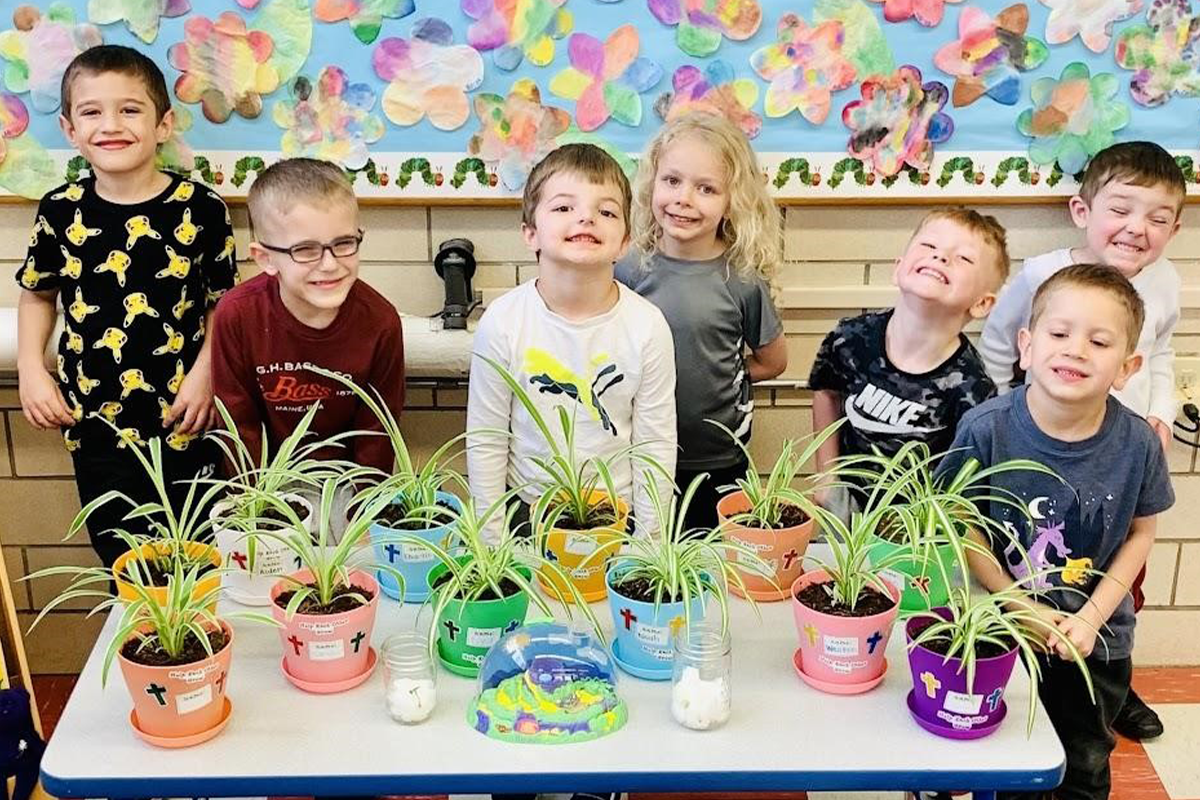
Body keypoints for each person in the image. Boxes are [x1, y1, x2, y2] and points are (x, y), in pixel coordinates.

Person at [940, 264, 1174, 800]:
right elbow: (961, 524)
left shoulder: (1137, 444)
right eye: (1059, 333)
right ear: (1026, 345)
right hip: (997, 628)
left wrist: (1091, 617)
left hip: (1098, 639)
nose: (1075, 350)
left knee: (1084, 760)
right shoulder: (986, 428)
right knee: (997, 756)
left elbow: (1142, 533)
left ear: (1127, 367)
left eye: (1098, 341)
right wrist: (1022, 606)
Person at [978, 141, 1185, 740]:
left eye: (1157, 217)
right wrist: (1004, 410)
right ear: (1082, 211)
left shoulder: (1165, 280)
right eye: (1121, 208)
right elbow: (998, 345)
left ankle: (1110, 676)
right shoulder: (1041, 273)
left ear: (1175, 227)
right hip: (1039, 444)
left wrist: (1161, 410)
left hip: (1123, 454)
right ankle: (1040, 667)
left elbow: (1163, 351)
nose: (1136, 229)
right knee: (1033, 561)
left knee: (1118, 580)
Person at [16, 45, 234, 567]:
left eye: (129, 109)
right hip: (96, 428)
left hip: (188, 421)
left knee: (198, 560)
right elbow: (37, 292)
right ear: (70, 130)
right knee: (124, 562)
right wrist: (30, 369)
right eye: (92, 111)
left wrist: (207, 375)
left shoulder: (202, 209)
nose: (110, 125)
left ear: (163, 124)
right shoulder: (60, 210)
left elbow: (224, 305)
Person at [467, 143, 677, 539]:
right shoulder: (503, 322)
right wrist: (491, 539)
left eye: (607, 211)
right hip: (527, 515)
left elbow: (656, 444)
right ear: (530, 233)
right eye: (564, 208)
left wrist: (651, 543)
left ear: (625, 241)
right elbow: (486, 439)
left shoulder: (647, 326)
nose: (586, 217)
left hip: (618, 516)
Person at [616, 113, 786, 534]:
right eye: (672, 180)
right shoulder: (629, 268)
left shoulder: (742, 279)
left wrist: (722, 376)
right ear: (652, 182)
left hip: (717, 457)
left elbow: (773, 361)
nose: (684, 198)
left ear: (733, 200)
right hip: (638, 452)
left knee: (711, 566)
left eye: (706, 188)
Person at [210, 157, 403, 475]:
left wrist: (365, 510)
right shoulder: (237, 315)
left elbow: (378, 433)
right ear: (265, 258)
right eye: (305, 250)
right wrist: (255, 508)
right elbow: (238, 424)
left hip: (347, 484)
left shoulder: (380, 322)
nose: (329, 264)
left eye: (344, 243)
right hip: (265, 487)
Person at [809, 208, 1008, 512]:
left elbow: (969, 475)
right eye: (929, 246)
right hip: (845, 504)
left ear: (982, 303)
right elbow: (826, 392)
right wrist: (827, 473)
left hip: (917, 526)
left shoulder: (973, 388)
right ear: (898, 268)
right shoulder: (848, 338)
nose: (940, 257)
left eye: (964, 258)